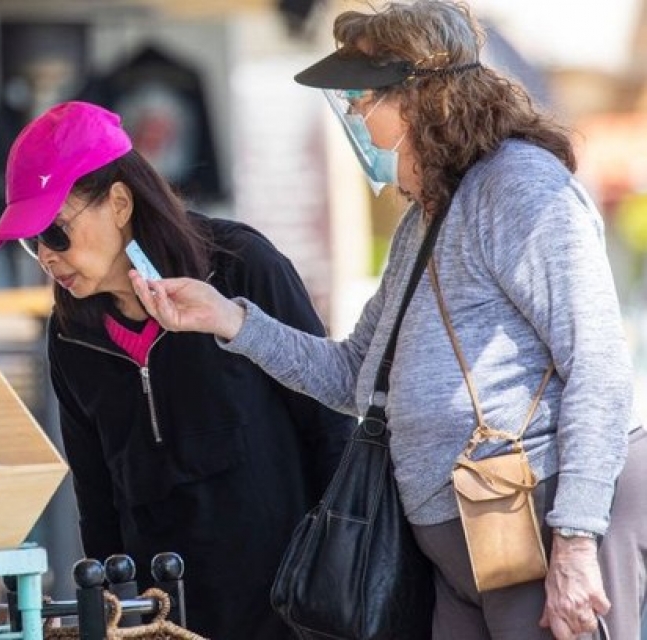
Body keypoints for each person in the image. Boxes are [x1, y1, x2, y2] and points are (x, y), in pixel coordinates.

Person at [127, 2, 647, 639]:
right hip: (463, 545)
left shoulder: (521, 187)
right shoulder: (426, 216)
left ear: (423, 100)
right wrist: (230, 321)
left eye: (360, 98)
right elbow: (355, 375)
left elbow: (598, 364)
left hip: (534, 521)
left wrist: (574, 542)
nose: (351, 116)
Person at [0, 100, 355, 640]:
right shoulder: (70, 336)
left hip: (293, 607)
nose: (46, 255)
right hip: (168, 618)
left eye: (56, 232)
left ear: (117, 202)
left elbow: (331, 425)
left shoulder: (240, 267)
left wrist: (337, 579)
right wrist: (115, 617)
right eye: (31, 240)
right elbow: (96, 498)